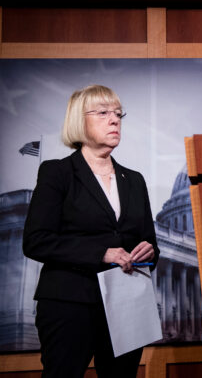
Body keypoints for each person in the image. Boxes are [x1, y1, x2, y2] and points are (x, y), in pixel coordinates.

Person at [23, 85, 159, 378]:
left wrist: (149, 251)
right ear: (79, 121)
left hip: (127, 306)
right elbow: (36, 241)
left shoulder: (134, 180)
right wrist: (102, 254)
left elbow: (151, 243)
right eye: (103, 113)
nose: (114, 120)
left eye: (118, 113)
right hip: (69, 304)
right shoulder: (56, 172)